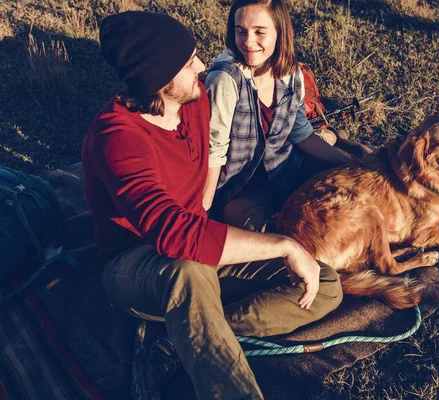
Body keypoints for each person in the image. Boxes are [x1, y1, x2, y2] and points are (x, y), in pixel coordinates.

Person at [81, 11, 343, 400]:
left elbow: (259, 130)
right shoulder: (117, 137)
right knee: (186, 270)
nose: (202, 68)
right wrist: (285, 245)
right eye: (189, 64)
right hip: (136, 262)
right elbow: (171, 233)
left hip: (199, 254)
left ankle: (187, 335)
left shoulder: (195, 100)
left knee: (324, 284)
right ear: (159, 78)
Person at [204, 0, 358, 231]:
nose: (248, 42)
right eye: (240, 31)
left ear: (279, 32)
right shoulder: (226, 79)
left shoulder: (290, 73)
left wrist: (351, 164)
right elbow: (213, 153)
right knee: (276, 234)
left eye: (259, 32)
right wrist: (203, 211)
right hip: (239, 189)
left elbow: (301, 134)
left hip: (286, 172)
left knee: (346, 198)